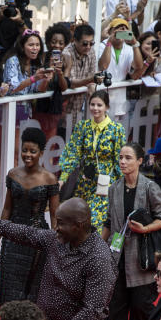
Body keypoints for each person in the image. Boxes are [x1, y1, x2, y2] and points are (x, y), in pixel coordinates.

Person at [100, 143, 161, 320]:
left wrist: (146, 229)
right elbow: (110, 222)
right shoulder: (114, 188)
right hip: (116, 256)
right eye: (120, 157)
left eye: (128, 158)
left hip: (142, 258)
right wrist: (99, 249)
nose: (122, 162)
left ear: (140, 161)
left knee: (142, 307)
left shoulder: (150, 188)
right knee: (115, 307)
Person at [0, 127, 58, 306]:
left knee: (32, 290)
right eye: (25, 150)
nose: (28, 155)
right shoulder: (13, 174)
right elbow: (7, 209)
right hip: (12, 237)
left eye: (33, 151)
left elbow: (55, 216)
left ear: (41, 152)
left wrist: (55, 246)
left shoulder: (49, 179)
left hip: (36, 241)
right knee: (9, 288)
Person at [59, 90, 127, 229]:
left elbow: (119, 159)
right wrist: (63, 177)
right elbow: (73, 152)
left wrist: (123, 184)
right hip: (85, 181)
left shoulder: (116, 129)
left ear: (107, 107)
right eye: (92, 104)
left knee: (95, 220)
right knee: (79, 219)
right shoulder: (82, 127)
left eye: (99, 105)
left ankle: (97, 249)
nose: (95, 108)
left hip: (106, 181)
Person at [97, 18, 146, 123]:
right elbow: (103, 66)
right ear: (110, 32)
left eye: (124, 30)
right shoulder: (101, 46)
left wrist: (135, 44)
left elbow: (138, 66)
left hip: (119, 101)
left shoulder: (129, 49)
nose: (121, 32)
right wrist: (109, 42)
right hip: (101, 98)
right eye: (118, 30)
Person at [2, 30, 50, 124]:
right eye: (31, 45)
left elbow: (39, 89)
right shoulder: (13, 61)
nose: (35, 48)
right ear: (22, 47)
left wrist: (45, 79)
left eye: (37, 45)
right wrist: (34, 78)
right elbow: (13, 88)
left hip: (25, 111)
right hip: (8, 110)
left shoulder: (35, 63)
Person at [62, 23, 99, 134]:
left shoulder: (91, 51)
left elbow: (92, 75)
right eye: (84, 44)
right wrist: (90, 80)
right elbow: (70, 83)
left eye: (91, 43)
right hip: (64, 111)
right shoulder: (66, 53)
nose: (88, 47)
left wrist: (92, 84)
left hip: (82, 112)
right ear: (75, 40)